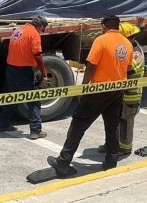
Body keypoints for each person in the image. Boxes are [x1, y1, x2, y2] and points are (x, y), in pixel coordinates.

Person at [47, 15, 133, 176]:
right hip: (117, 90)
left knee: (78, 124)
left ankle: (64, 161)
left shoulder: (101, 41)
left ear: (104, 26)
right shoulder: (127, 44)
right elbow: (128, 70)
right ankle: (111, 160)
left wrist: (85, 87)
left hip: (98, 91)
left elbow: (92, 65)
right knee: (112, 124)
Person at [0, 15, 49, 140]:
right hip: (23, 72)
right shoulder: (34, 34)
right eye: (43, 29)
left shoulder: (18, 30)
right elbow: (38, 55)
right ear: (40, 26)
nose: (42, 32)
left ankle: (2, 124)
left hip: (11, 69)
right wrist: (44, 74)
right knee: (34, 101)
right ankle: (35, 131)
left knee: (13, 98)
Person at [97, 22, 145, 157]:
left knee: (125, 123)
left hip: (131, 96)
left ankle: (124, 148)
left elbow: (127, 70)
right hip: (120, 94)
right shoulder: (128, 48)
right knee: (113, 122)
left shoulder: (135, 53)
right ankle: (110, 144)